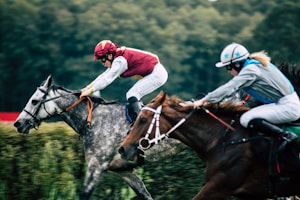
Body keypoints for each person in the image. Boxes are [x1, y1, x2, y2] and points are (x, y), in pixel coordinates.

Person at [181, 42, 300, 151]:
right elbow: (232, 95)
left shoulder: (251, 70)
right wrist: (207, 102)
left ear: (237, 64)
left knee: (245, 119)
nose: (228, 71)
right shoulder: (253, 66)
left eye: (228, 67)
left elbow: (229, 87)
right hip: (284, 104)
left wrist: (203, 100)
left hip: (288, 107)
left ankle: (286, 136)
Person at [80, 40, 168, 122]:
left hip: (157, 74)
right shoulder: (117, 58)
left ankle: (142, 123)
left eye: (103, 59)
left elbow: (107, 80)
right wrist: (87, 88)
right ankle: (142, 118)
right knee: (133, 94)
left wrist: (90, 91)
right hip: (154, 72)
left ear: (110, 56)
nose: (103, 63)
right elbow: (103, 76)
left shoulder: (120, 61)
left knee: (132, 94)